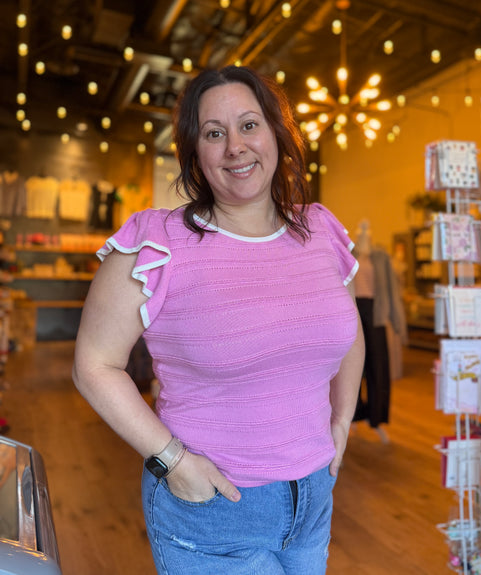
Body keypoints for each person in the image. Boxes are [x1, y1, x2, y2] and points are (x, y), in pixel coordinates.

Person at [72, 65, 365, 575]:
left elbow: (349, 331)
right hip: (213, 508)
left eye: (249, 125)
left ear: (278, 133)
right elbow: (94, 364)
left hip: (314, 496)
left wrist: (341, 423)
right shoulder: (158, 241)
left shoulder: (320, 230)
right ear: (195, 155)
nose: (235, 146)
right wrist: (173, 462)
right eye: (214, 133)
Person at [351, 220, 406, 443]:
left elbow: (391, 291)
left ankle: (376, 418)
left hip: (376, 311)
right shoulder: (345, 253)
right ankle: (352, 415)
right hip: (352, 311)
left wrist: (399, 323)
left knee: (378, 367)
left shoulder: (381, 258)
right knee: (351, 370)